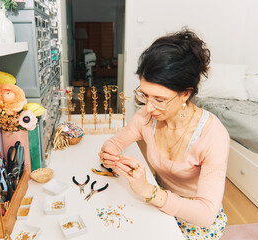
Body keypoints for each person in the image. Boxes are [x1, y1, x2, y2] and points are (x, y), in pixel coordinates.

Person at [98, 28, 229, 240]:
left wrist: (148, 191)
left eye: (159, 99)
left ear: (185, 93)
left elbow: (205, 215)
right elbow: (117, 141)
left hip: (193, 217)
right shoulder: (146, 117)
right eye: (144, 95)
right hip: (159, 200)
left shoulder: (213, 135)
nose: (148, 108)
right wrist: (109, 153)